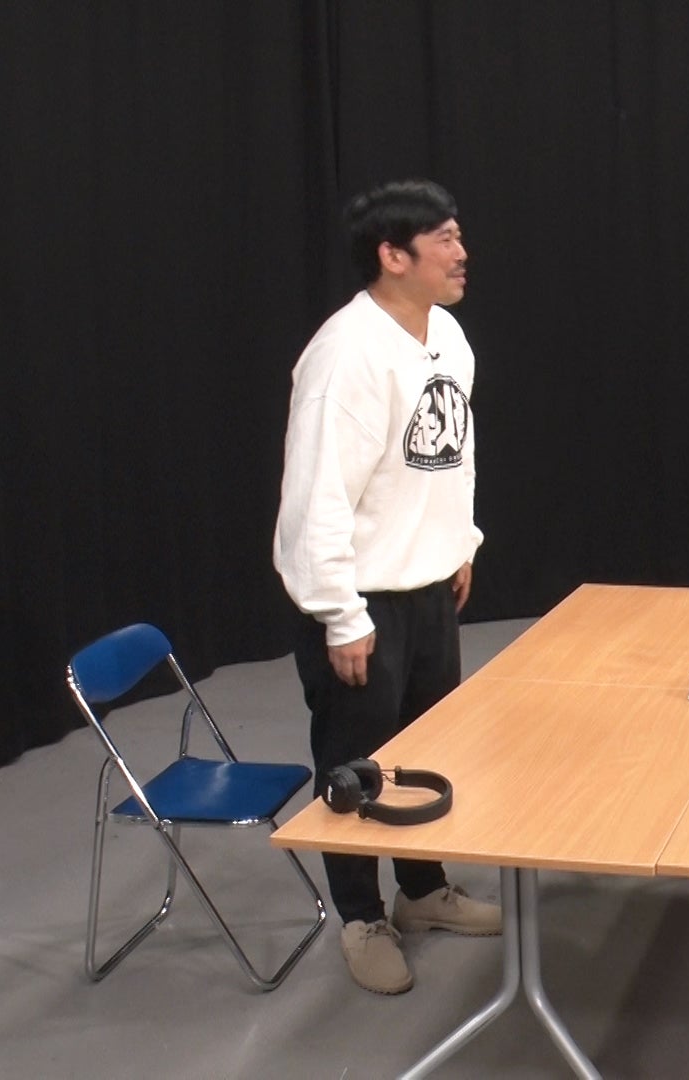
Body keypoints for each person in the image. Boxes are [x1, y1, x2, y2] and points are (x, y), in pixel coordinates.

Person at [274, 178, 502, 995]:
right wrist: (341, 615)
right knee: (355, 767)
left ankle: (422, 890)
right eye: (444, 239)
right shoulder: (347, 356)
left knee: (426, 751)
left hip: (431, 588)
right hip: (364, 602)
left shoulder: (447, 335)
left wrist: (460, 543)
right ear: (393, 255)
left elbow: (453, 454)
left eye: (458, 234)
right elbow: (317, 497)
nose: (461, 252)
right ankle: (360, 917)